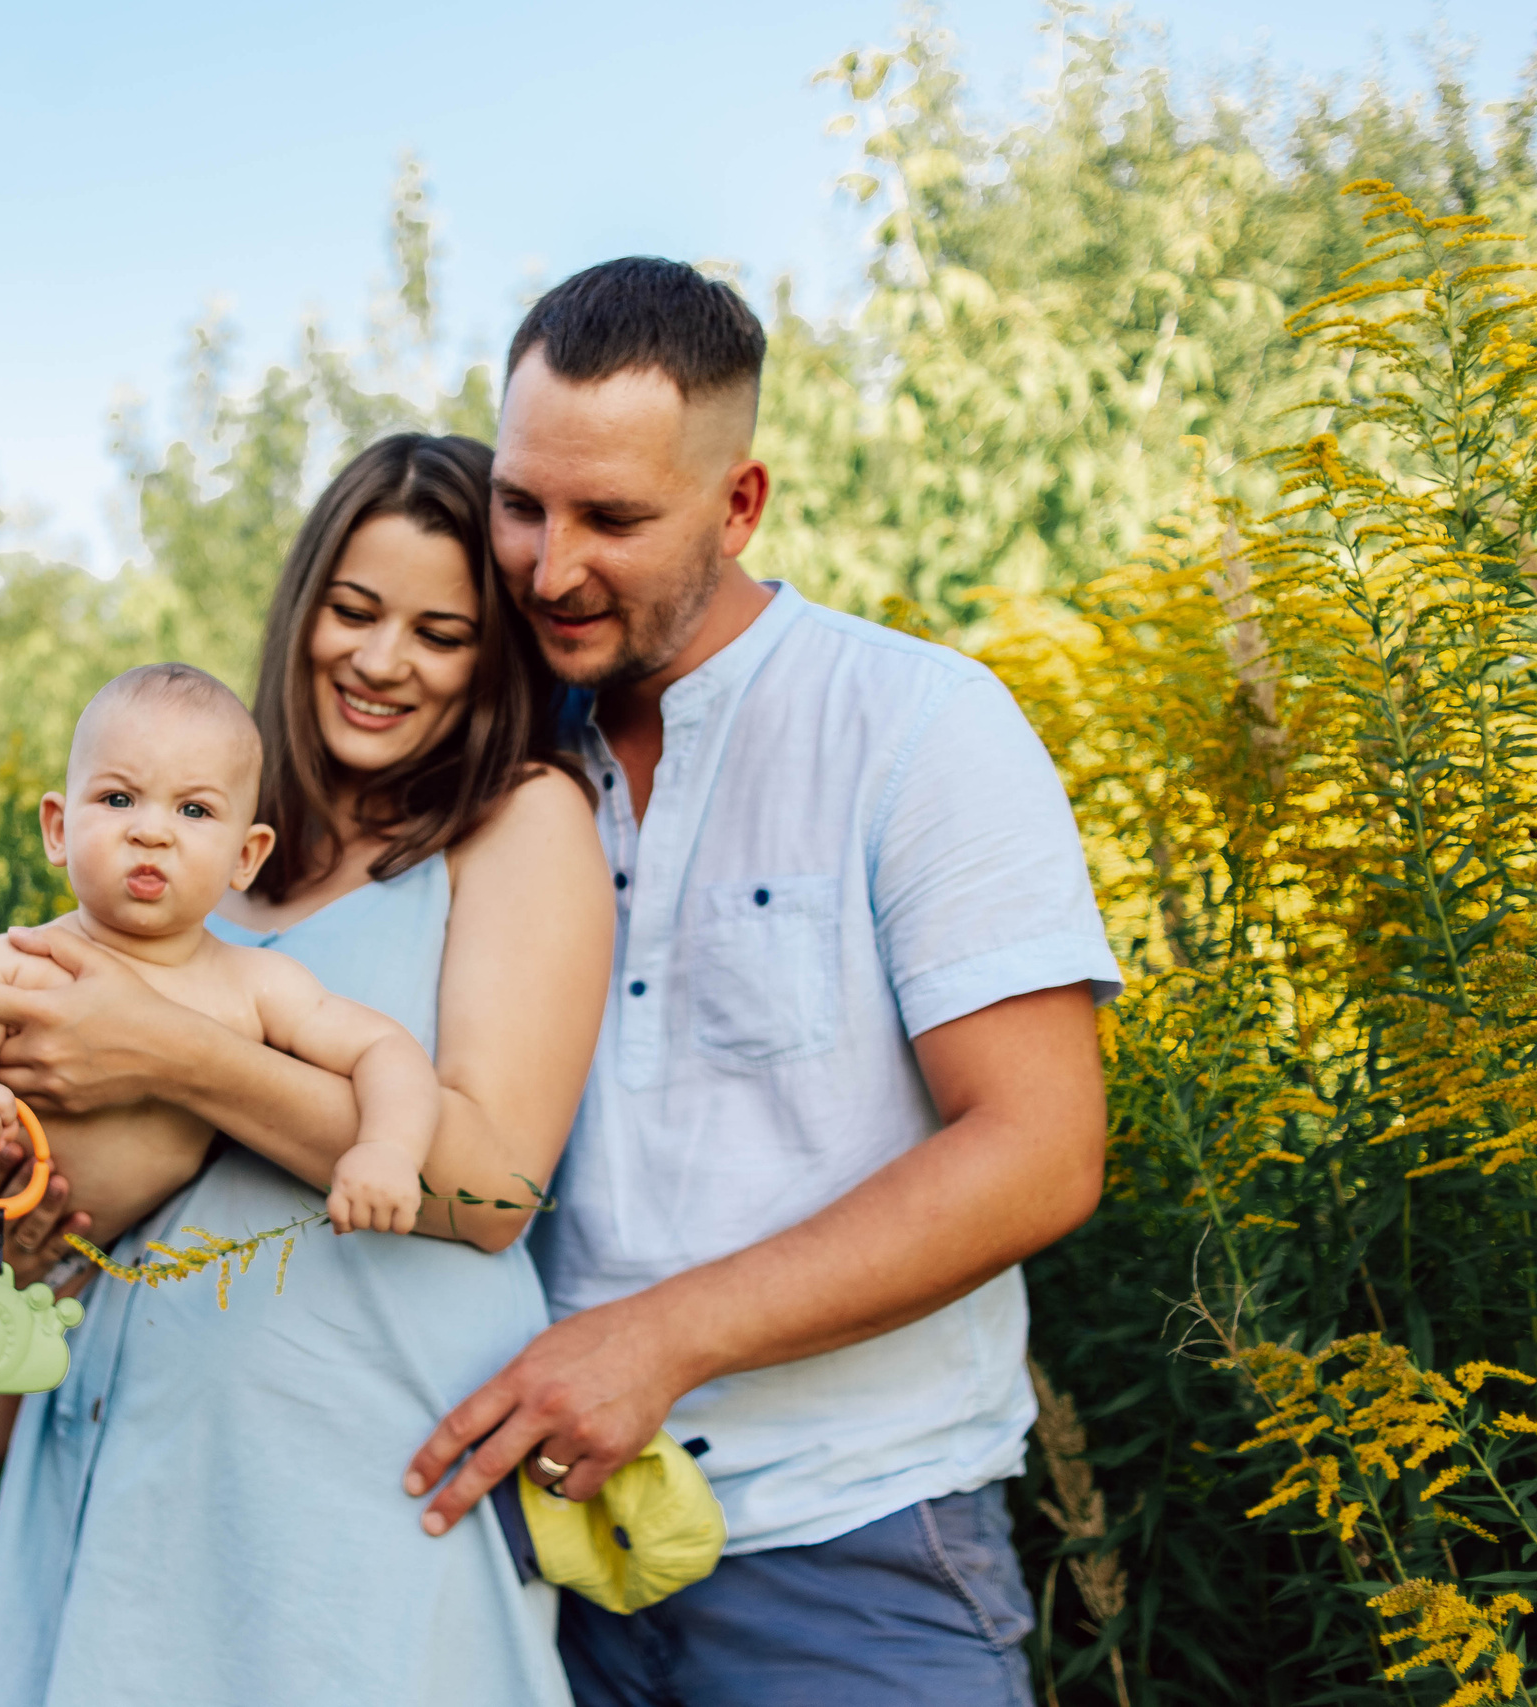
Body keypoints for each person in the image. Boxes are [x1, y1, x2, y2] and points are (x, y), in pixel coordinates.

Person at [400, 258, 1120, 1705]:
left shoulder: (918, 724)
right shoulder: (469, 752)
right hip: (529, 1558)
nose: (550, 566)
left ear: (738, 505)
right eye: (524, 502)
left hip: (858, 1557)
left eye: (614, 518)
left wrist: (658, 1337)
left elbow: (1040, 1148)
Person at [0, 433, 615, 1705]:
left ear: (494, 650)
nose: (380, 658)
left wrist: (173, 1056)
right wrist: (9, 1224)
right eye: (351, 611)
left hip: (343, 1498)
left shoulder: (519, 819)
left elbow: (495, 1187)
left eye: (440, 632)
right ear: (302, 609)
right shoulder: (200, 837)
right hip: (115, 1455)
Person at [0, 663, 438, 1575]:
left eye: (195, 811)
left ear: (246, 854)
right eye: (118, 797)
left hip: (89, 1257)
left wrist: (386, 1148)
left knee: (18, 1387)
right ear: (59, 826)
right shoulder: (24, 961)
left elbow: (386, 1050)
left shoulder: (256, 987)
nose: (152, 828)